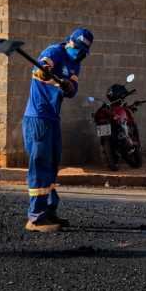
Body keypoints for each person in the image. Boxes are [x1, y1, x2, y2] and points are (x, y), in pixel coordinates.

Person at [22, 28, 93, 233]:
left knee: (52, 164)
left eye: (83, 52)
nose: (79, 54)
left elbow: (72, 89)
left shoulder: (75, 63)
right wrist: (44, 70)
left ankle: (49, 211)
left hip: (53, 118)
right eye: (77, 49)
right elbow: (41, 68)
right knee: (40, 165)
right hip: (38, 117)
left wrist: (68, 86)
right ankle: (35, 218)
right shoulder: (54, 52)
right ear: (70, 42)